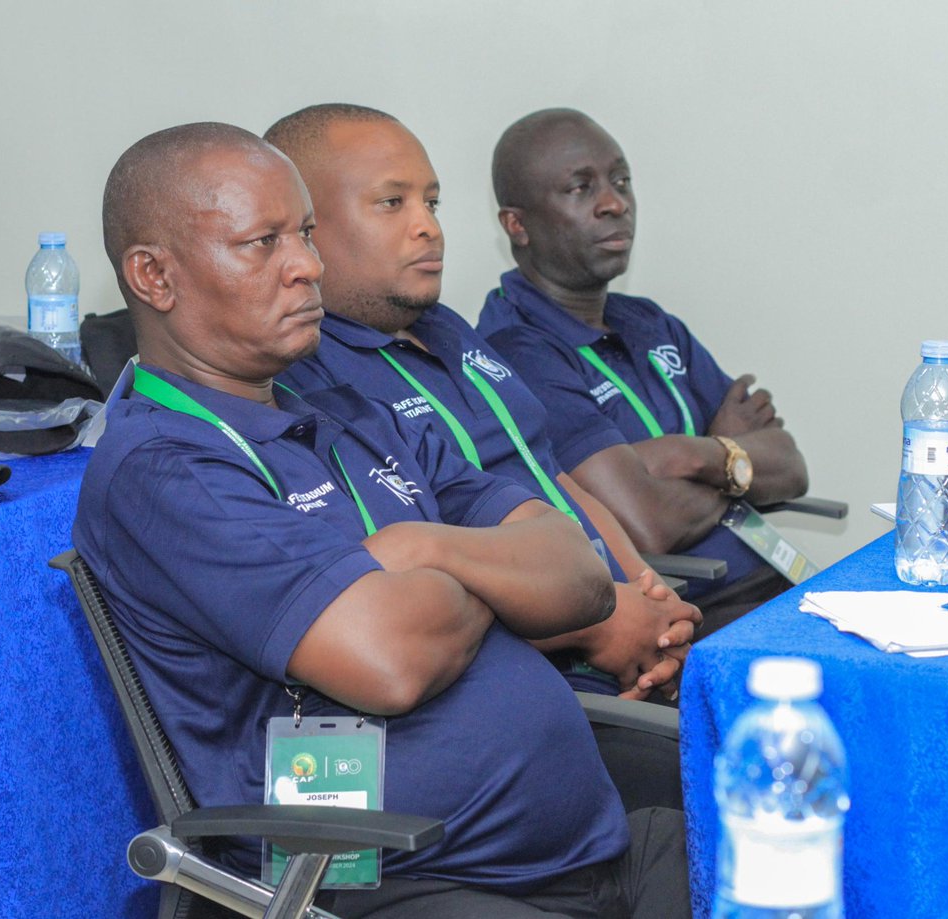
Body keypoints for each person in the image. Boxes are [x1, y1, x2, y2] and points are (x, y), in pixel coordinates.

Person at [75, 121, 689, 919]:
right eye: (262, 243)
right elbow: (391, 657)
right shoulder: (162, 469)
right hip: (406, 885)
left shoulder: (350, 407)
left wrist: (418, 547)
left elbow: (576, 572)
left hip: (595, 853)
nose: (306, 265)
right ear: (155, 276)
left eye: (302, 233)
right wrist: (494, 571)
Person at [264, 103, 701, 710]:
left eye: (432, 203)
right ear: (306, 229)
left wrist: (644, 590)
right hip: (526, 678)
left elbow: (549, 472)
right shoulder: (313, 377)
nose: (428, 227)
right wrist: (602, 621)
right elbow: (405, 573)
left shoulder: (448, 330)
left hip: (611, 624)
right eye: (393, 204)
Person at [478, 108, 810, 636]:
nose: (615, 203)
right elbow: (644, 524)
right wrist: (728, 457)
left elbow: (791, 465)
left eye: (621, 180)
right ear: (517, 225)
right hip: (702, 621)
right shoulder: (515, 353)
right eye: (581, 189)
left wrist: (692, 454)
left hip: (779, 591)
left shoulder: (649, 322)